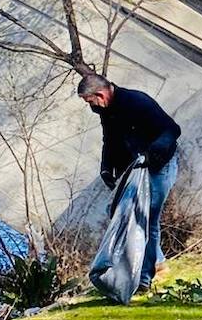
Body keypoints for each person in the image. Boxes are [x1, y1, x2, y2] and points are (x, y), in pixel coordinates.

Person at [78, 73, 182, 292]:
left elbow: (172, 130)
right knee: (116, 211)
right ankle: (158, 262)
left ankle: (145, 278)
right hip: (137, 168)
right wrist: (106, 167)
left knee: (148, 218)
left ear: (101, 94)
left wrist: (156, 151)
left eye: (90, 101)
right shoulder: (106, 111)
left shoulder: (137, 102)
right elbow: (110, 140)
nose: (91, 106)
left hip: (160, 165)